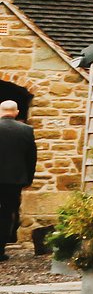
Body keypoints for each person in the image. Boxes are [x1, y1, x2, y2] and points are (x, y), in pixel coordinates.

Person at [0, 100, 35, 257]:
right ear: (16, 112)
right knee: (7, 214)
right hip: (13, 180)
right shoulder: (26, 130)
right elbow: (31, 157)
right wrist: (28, 179)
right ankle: (0, 250)